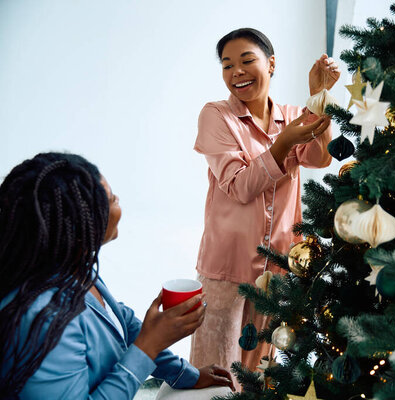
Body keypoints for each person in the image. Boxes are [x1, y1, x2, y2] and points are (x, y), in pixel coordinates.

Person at [0, 152, 235, 399]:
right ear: (81, 228)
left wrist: (185, 373)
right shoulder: (43, 320)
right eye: (111, 199)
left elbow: (122, 323)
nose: (118, 201)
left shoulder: (73, 267)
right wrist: (149, 345)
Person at [189, 27, 340, 388]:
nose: (236, 72)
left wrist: (318, 96)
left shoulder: (291, 115)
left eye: (246, 61)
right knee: (215, 377)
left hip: (276, 269)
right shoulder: (216, 116)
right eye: (227, 65)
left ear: (270, 64)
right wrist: (282, 143)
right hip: (226, 269)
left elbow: (319, 157)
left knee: (258, 378)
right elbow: (240, 187)